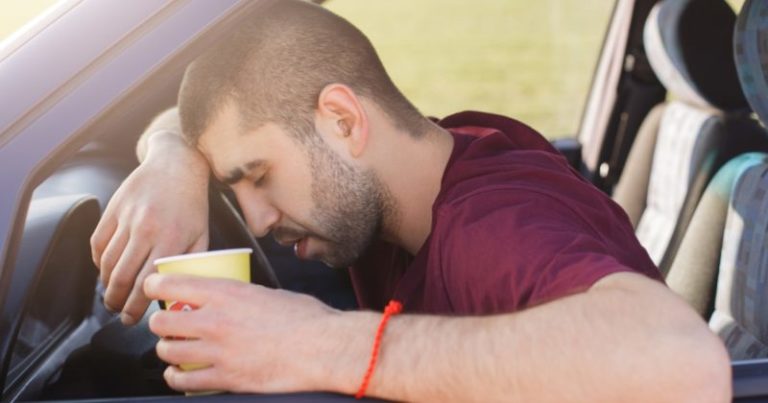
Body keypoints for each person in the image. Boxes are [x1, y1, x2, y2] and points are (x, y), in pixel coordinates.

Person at [90, 0, 730, 401]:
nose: (256, 217)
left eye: (258, 175)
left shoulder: (493, 227)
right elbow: (204, 111)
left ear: (342, 120)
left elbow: (682, 364)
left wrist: (318, 342)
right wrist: (172, 156)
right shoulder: (442, 150)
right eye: (233, 183)